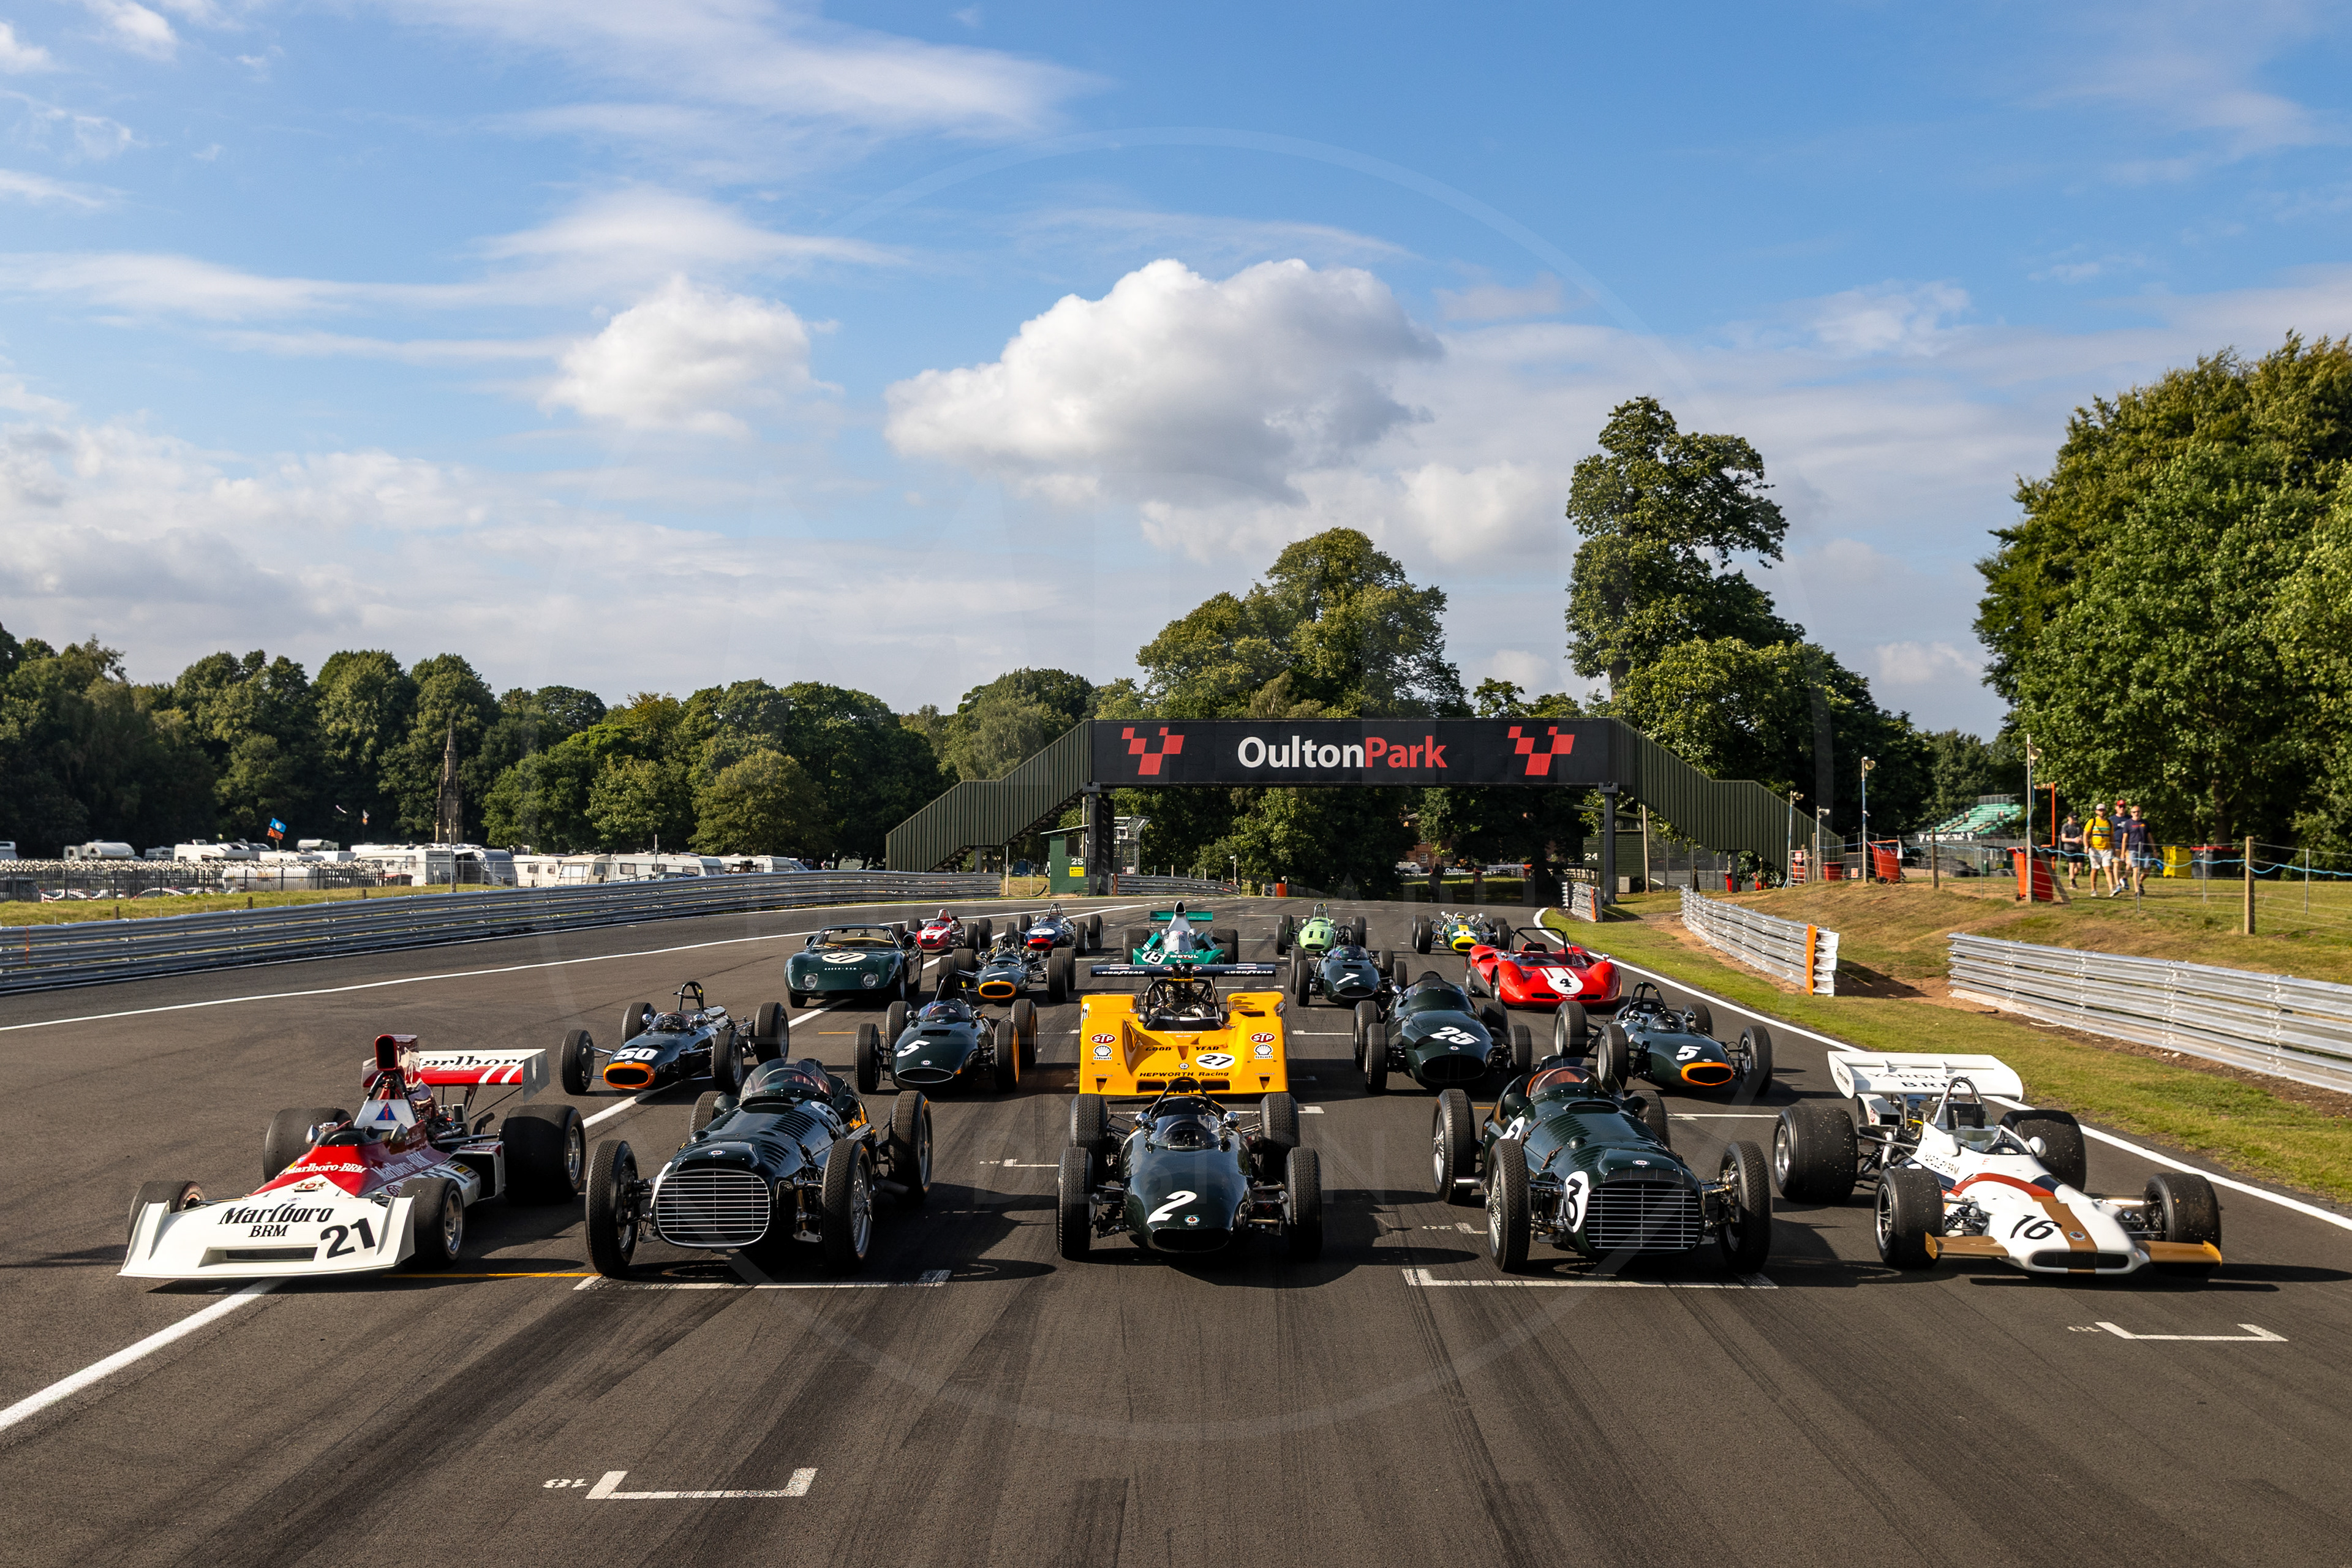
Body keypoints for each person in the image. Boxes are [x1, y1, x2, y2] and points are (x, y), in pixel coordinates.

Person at [2120, 805, 2154, 897]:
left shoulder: (2145, 823)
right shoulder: (2128, 823)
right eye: (2134, 812)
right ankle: (2137, 891)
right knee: (2136, 870)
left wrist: (2154, 850)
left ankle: (2140, 882)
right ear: (2131, 813)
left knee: (2147, 869)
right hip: (2133, 850)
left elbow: (2150, 837)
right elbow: (2125, 839)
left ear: (2141, 812)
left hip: (2145, 850)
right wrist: (2123, 853)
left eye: (2138, 811)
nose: (2136, 813)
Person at [2083, 804, 2114, 895]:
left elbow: (2112, 836)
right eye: (2100, 810)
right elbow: (2086, 834)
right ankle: (2093, 889)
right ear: (2096, 811)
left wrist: (2114, 849)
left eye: (2103, 810)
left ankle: (2112, 889)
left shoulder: (2109, 822)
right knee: (2095, 869)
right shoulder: (2092, 821)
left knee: (2108, 869)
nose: (2102, 812)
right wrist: (2086, 847)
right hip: (2095, 849)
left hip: (2107, 849)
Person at [2057, 812, 2084, 888]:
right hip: (2069, 848)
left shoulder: (2078, 826)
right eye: (2073, 819)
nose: (2074, 821)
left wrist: (2081, 839)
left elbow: (2081, 835)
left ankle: (2071, 875)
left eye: (2075, 819)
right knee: (2072, 865)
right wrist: (2073, 840)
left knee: (2080, 866)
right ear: (2068, 818)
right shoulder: (2065, 827)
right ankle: (2073, 882)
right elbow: (2063, 839)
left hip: (2077, 848)